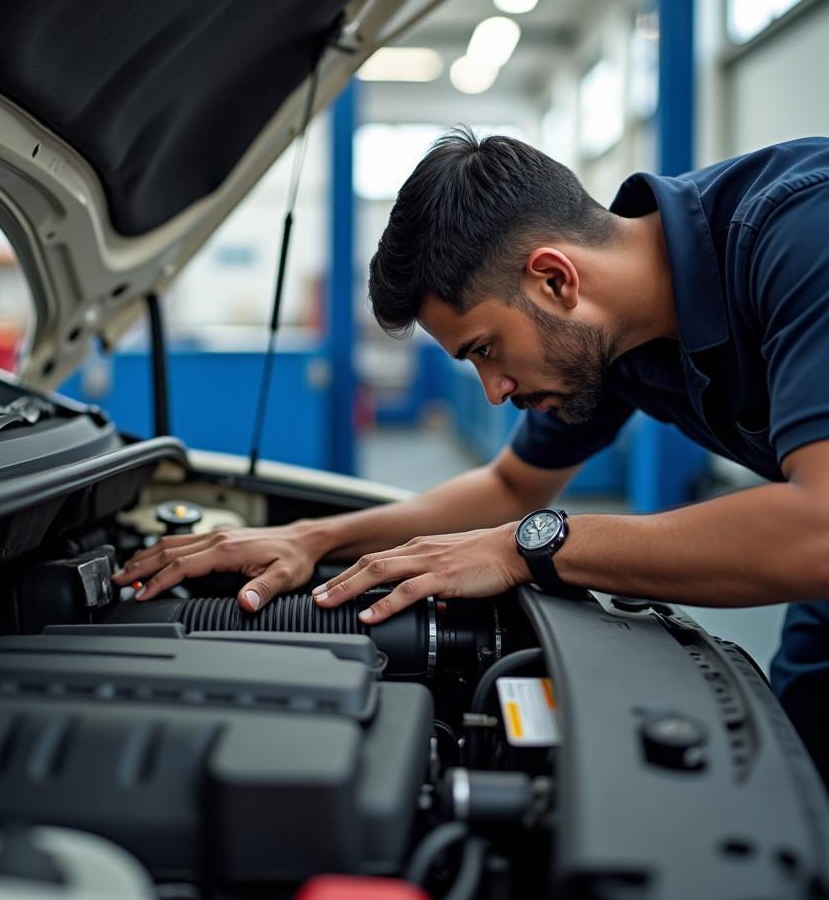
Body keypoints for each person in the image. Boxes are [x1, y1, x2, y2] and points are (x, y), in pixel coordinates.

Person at [113, 129, 829, 781]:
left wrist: (528, 549)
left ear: (556, 279)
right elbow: (513, 484)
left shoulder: (802, 233)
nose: (494, 392)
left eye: (485, 350)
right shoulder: (612, 336)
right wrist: (315, 536)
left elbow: (818, 529)